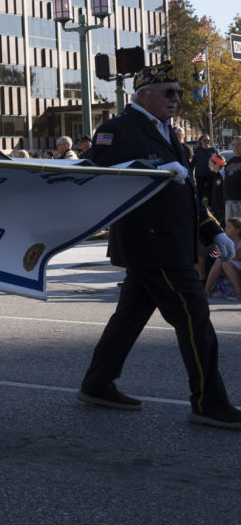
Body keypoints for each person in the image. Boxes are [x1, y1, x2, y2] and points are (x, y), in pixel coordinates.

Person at [77, 62, 241, 430]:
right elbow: (99, 176)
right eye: (169, 92)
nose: (176, 98)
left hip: (171, 243)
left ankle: (97, 383)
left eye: (178, 92)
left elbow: (188, 195)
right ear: (143, 95)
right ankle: (209, 402)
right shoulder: (116, 130)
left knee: (130, 317)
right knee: (194, 317)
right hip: (149, 243)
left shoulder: (169, 134)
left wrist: (212, 231)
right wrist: (152, 166)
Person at [205, 218, 241, 301]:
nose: (226, 229)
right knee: (220, 260)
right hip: (233, 266)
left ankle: (239, 293)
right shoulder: (229, 242)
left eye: (229, 227)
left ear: (237, 230)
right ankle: (206, 290)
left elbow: (238, 258)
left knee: (225, 262)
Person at [193, 134, 221, 208]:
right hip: (200, 175)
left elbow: (220, 162)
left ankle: (210, 207)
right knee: (199, 191)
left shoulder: (213, 150)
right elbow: (193, 162)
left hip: (211, 174)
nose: (206, 142)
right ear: (201, 141)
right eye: (204, 140)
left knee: (211, 191)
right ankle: (198, 207)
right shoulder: (197, 150)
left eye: (208, 140)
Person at [224, 136, 241, 220]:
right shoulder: (231, 160)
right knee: (231, 228)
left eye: (238, 145)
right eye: (233, 145)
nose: (235, 147)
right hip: (229, 200)